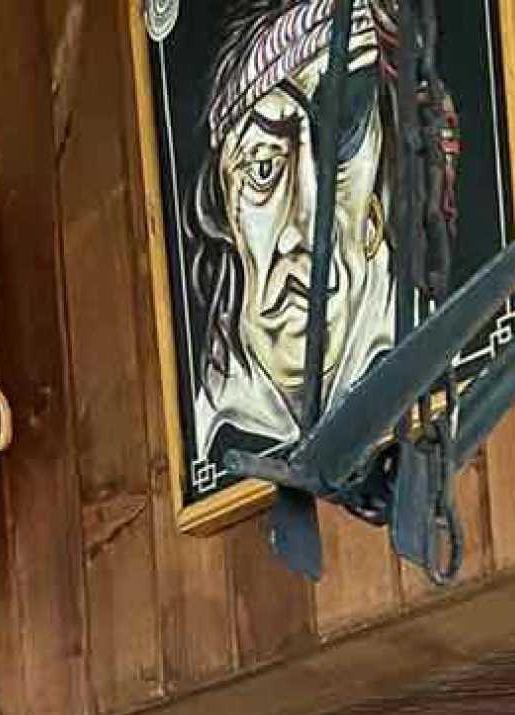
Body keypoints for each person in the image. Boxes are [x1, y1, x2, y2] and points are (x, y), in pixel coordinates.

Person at [186, 0, 458, 473]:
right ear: (222, 214)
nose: (303, 225)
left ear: (382, 189)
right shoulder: (215, 420)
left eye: (342, 148)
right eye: (263, 168)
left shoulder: (429, 351)